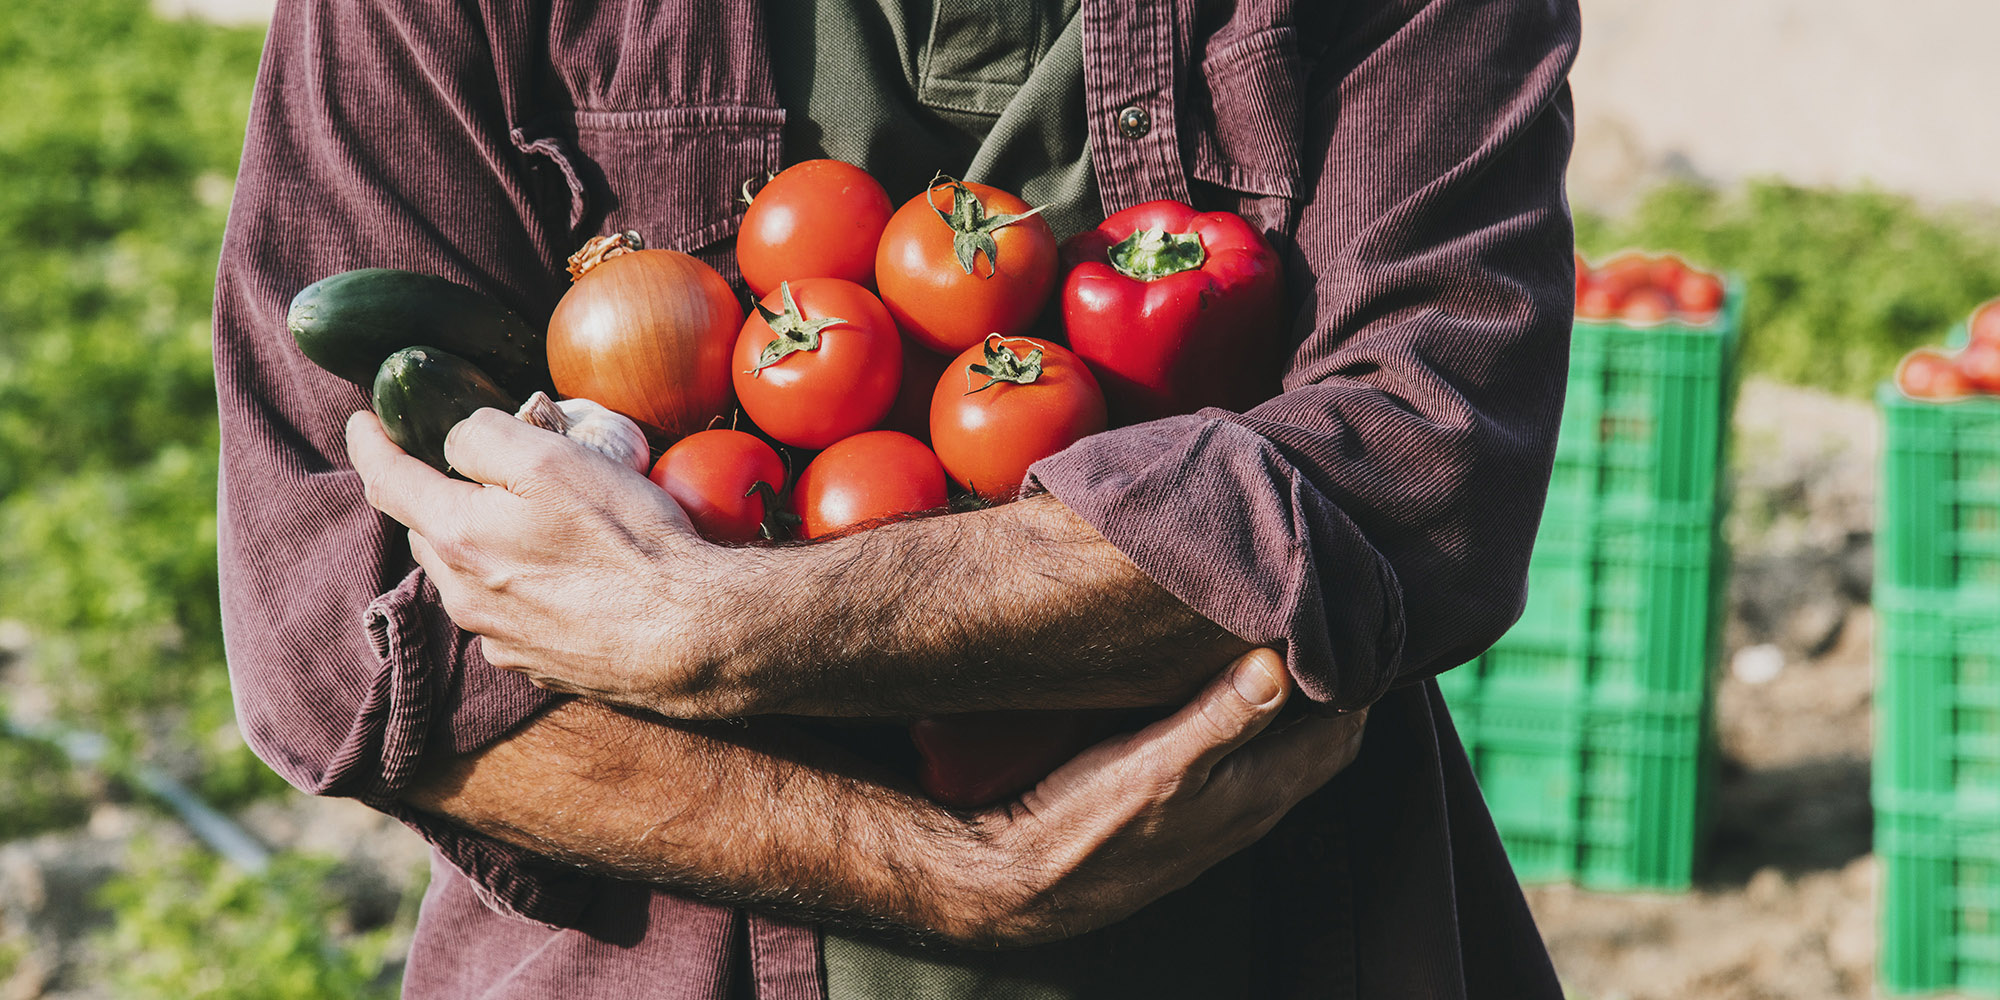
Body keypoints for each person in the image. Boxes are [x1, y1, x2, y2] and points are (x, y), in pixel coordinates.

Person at [214, 0, 1581, 996]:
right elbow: (338, 645)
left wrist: (717, 624)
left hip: (1276, 939)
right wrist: (961, 871)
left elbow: (1422, 474)